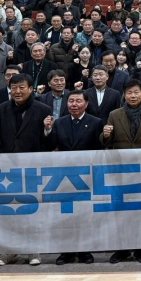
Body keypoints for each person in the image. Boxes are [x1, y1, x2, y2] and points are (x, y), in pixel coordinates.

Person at [0, 73, 53, 266]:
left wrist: (47, 130)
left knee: (32, 211)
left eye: (22, 87)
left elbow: (49, 144)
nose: (17, 91)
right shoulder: (1, 108)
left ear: (31, 89)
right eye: (13, 87)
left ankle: (33, 249)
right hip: (6, 170)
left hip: (33, 169)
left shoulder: (43, 109)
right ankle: (9, 251)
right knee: (8, 211)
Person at [101, 80, 141, 264]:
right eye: (129, 93)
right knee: (121, 210)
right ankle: (122, 248)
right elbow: (105, 142)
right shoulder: (114, 114)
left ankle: (140, 247)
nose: (133, 96)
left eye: (136, 92)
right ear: (124, 95)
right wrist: (105, 134)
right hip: (120, 170)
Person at [47, 90, 103, 265]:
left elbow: (100, 149)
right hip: (64, 177)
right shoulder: (59, 122)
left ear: (86, 104)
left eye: (78, 101)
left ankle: (85, 250)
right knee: (66, 216)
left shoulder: (96, 122)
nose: (74, 104)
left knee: (85, 215)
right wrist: (47, 130)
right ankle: (67, 251)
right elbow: (51, 146)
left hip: (87, 176)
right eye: (71, 101)